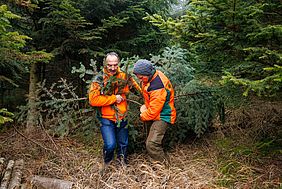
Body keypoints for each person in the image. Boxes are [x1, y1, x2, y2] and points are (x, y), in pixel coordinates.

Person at [88, 52, 141, 173]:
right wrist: (113, 98)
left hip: (122, 116)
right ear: (105, 64)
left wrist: (146, 96)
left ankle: (122, 164)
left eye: (115, 65)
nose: (112, 68)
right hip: (106, 117)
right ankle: (107, 163)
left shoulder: (124, 76)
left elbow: (136, 89)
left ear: (119, 64)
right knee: (110, 144)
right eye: (110, 65)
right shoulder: (99, 79)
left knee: (123, 143)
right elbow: (93, 100)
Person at [133, 59, 176, 165]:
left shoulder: (157, 86)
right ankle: (155, 162)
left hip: (163, 115)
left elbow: (153, 111)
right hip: (155, 112)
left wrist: (143, 115)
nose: (141, 80)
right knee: (151, 139)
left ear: (148, 73)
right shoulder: (150, 77)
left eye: (141, 77)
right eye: (138, 77)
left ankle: (164, 168)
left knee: (152, 143)